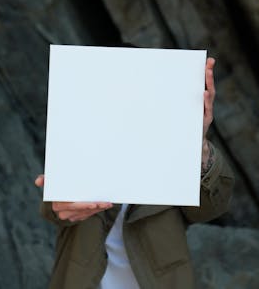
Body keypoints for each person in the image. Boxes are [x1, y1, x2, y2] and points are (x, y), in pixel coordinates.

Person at [35, 57, 234, 289]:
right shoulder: (80, 150)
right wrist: (57, 201)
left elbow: (211, 207)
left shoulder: (170, 158)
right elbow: (54, 207)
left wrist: (196, 143)